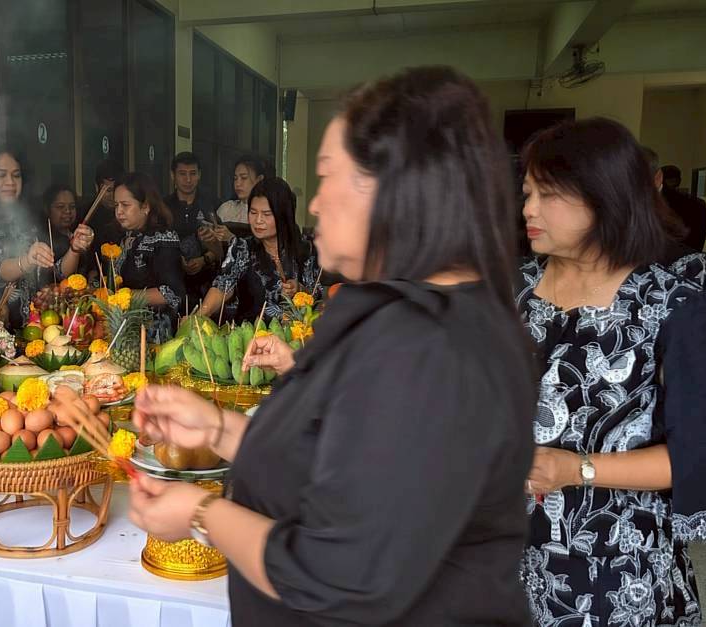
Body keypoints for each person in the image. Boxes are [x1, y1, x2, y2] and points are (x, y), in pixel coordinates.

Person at [127, 66, 536, 625]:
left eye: (327, 176)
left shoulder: (431, 346)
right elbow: (337, 466)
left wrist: (202, 513)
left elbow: (341, 572)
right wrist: (218, 429)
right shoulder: (399, 311)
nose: (315, 204)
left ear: (391, 187)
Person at [518, 118, 706, 625]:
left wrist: (577, 469)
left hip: (614, 565)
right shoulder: (515, 290)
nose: (528, 209)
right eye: (527, 193)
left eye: (549, 195)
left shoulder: (675, 306)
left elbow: (694, 459)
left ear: (605, 199)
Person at [0, 149, 92, 328]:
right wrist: (27, 260)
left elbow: (56, 273)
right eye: (1, 175)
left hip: (37, 328)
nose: (10, 182)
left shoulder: (30, 221)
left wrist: (74, 249)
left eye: (16, 175)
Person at [193, 177, 320, 323]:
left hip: (298, 334)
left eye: (266, 214)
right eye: (253, 212)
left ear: (283, 215)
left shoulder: (306, 249)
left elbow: (317, 295)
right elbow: (222, 286)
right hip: (253, 334)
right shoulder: (243, 248)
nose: (258, 220)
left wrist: (299, 289)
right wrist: (197, 317)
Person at [111, 172, 186, 342]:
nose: (119, 211)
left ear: (145, 206)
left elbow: (171, 293)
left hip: (155, 332)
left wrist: (127, 297)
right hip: (126, 327)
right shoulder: (125, 236)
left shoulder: (163, 239)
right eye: (116, 205)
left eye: (125, 205)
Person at [163, 152, 220, 306]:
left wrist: (204, 259)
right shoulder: (163, 207)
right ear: (173, 175)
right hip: (172, 285)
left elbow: (223, 245)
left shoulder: (212, 204)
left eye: (193, 174)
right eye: (182, 174)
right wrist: (176, 259)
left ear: (199, 174)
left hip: (207, 284)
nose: (188, 180)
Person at [213, 155, 268, 236]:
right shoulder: (227, 208)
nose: (238, 184)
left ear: (259, 179)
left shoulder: (267, 212)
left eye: (244, 178)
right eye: (235, 178)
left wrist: (231, 238)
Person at [660, 164, 706, 251]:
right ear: (679, 180)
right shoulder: (698, 203)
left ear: (660, 180)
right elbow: (700, 233)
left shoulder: (657, 203)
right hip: (690, 250)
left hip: (664, 252)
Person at [84, 158, 124, 248]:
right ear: (96, 187)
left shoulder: (127, 213)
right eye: (108, 190)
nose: (113, 195)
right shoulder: (84, 213)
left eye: (116, 190)